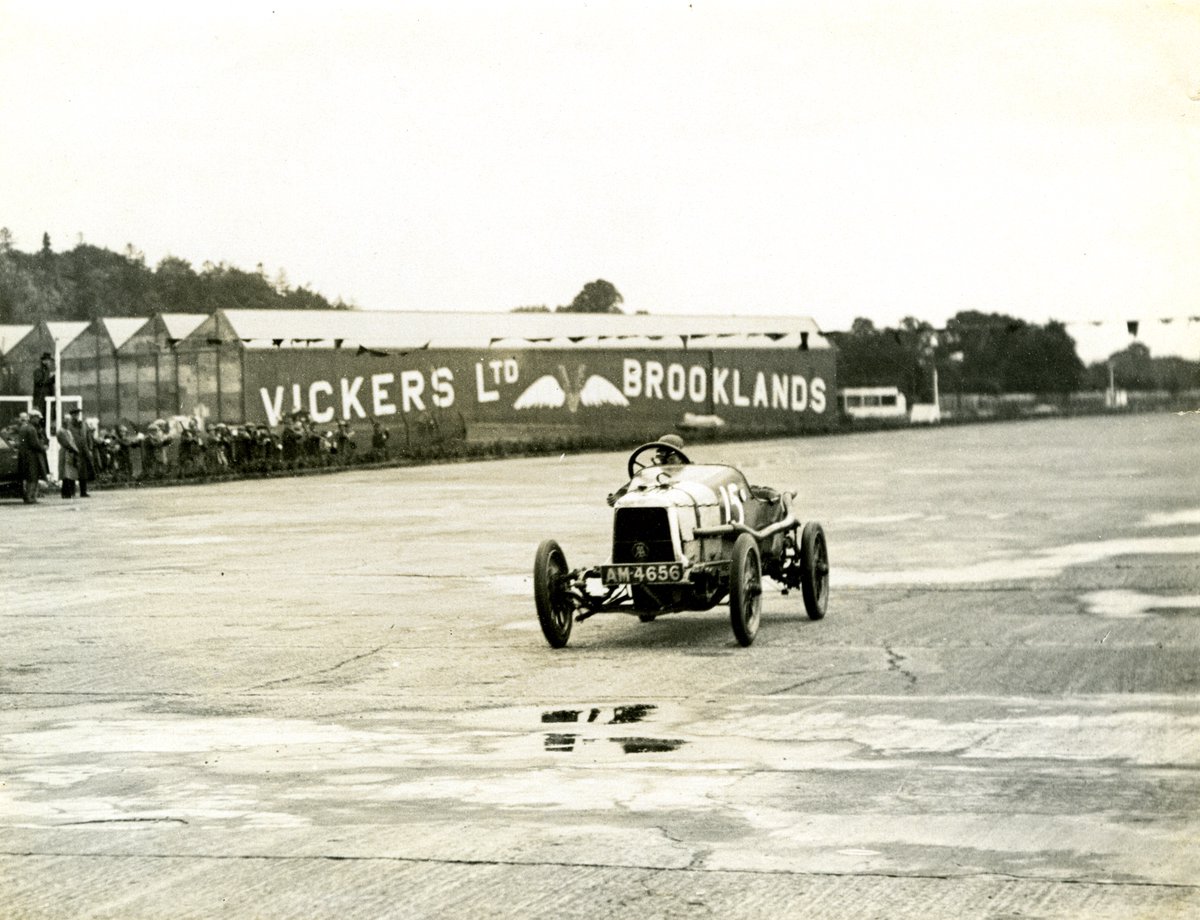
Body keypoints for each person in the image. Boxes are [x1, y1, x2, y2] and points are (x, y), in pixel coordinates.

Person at [607, 433, 689, 506]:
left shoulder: (691, 470)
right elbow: (633, 483)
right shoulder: (652, 471)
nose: (666, 463)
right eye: (661, 459)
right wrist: (619, 495)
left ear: (680, 457)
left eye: (671, 459)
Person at [16, 411, 48, 504]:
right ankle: (30, 497)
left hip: (24, 456)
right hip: (32, 456)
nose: (38, 420)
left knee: (28, 477)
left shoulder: (23, 427)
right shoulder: (31, 429)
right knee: (33, 477)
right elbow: (35, 443)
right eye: (37, 418)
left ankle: (27, 496)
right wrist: (43, 448)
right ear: (33, 417)